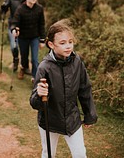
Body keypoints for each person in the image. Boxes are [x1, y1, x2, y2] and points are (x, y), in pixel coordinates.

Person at [30, 19, 98, 158]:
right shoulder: (45, 67)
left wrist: (89, 115)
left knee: (80, 154)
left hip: (72, 119)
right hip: (50, 120)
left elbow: (85, 89)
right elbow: (35, 103)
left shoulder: (77, 62)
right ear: (51, 44)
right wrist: (39, 94)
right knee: (48, 153)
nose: (68, 46)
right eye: (62, 43)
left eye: (70, 42)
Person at [11, 0, 46, 82]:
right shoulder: (20, 9)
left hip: (35, 37)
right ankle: (22, 68)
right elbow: (14, 22)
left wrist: (42, 40)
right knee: (24, 57)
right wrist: (14, 29)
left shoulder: (39, 8)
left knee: (35, 59)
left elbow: (42, 24)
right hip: (23, 37)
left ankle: (35, 77)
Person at [1, 0, 30, 72]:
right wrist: (3, 9)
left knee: (24, 49)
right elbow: (5, 7)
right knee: (14, 46)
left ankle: (25, 67)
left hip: (26, 27)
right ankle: (15, 60)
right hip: (13, 25)